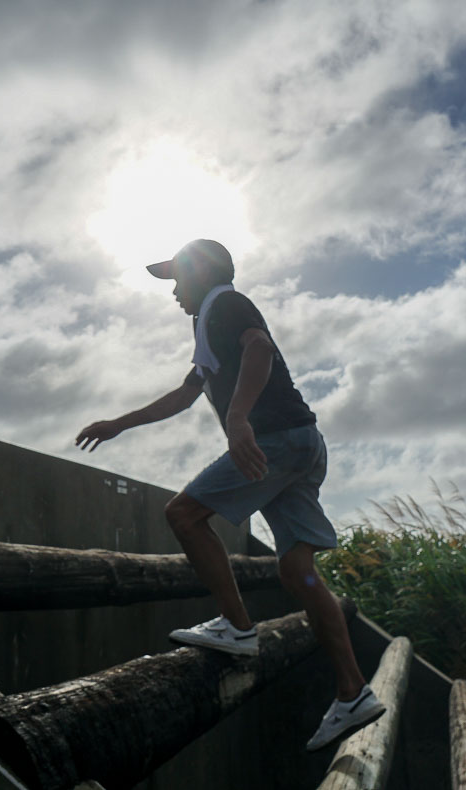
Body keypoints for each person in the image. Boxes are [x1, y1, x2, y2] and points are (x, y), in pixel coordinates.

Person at [76, 239, 385, 752]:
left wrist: (239, 418)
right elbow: (185, 393)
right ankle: (353, 691)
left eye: (177, 280)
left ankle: (238, 628)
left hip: (277, 441)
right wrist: (119, 424)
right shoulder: (209, 328)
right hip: (304, 444)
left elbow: (259, 347)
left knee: (185, 515)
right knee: (297, 571)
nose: (174, 293)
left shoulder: (223, 303)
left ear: (201, 275)